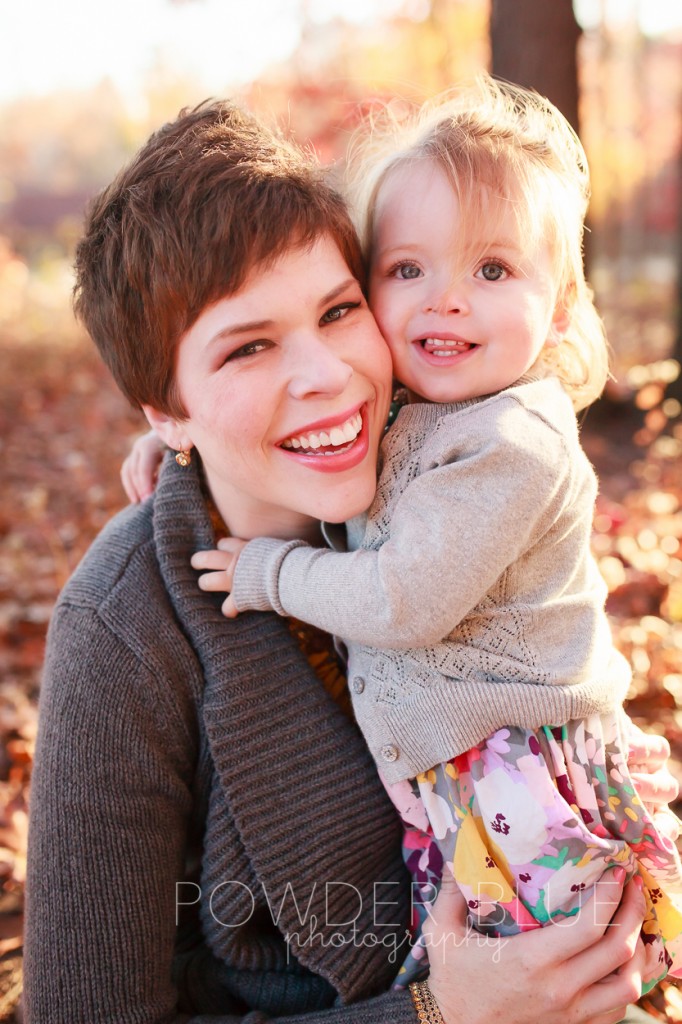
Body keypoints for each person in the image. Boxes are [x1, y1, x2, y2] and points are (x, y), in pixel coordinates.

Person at [25, 97, 672, 1024]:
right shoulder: (124, 627)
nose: (327, 373)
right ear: (163, 411)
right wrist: (434, 1015)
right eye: (249, 347)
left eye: (338, 310)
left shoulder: (447, 447)